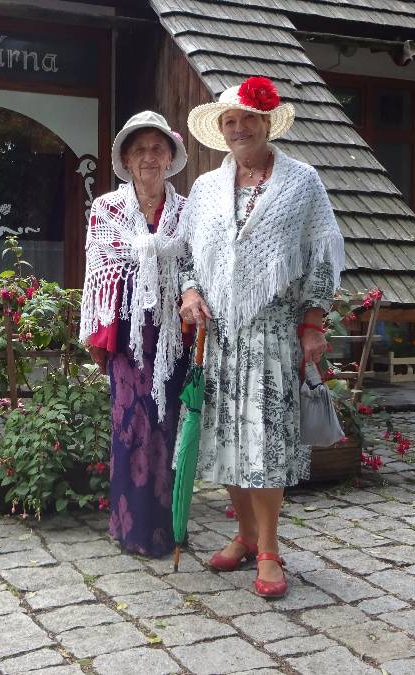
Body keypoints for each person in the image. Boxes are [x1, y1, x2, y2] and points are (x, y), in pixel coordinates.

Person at [177, 76, 345, 597]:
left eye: (247, 118)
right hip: (220, 338)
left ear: (267, 123)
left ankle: (269, 549)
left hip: (273, 335)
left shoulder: (302, 182)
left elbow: (322, 254)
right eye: (229, 121)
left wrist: (313, 323)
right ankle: (246, 536)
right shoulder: (205, 188)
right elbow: (187, 255)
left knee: (266, 443)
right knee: (227, 442)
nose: (238, 128)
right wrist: (189, 293)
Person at [79, 111, 190, 557]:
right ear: (126, 159)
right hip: (128, 337)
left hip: (174, 336)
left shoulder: (186, 212)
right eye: (139, 149)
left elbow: (194, 265)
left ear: (169, 157)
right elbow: (99, 273)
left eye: (157, 149)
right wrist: (98, 337)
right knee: (130, 426)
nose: (149, 157)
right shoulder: (106, 209)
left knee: (169, 426)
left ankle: (169, 527)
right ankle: (130, 527)